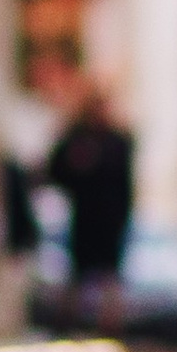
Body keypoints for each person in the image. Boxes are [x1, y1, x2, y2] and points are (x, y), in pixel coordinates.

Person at [45, 78, 136, 303]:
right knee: (78, 277)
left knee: (110, 278)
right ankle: (70, 325)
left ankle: (108, 326)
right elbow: (56, 170)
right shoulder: (77, 137)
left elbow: (125, 184)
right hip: (84, 220)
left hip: (109, 222)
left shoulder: (117, 142)